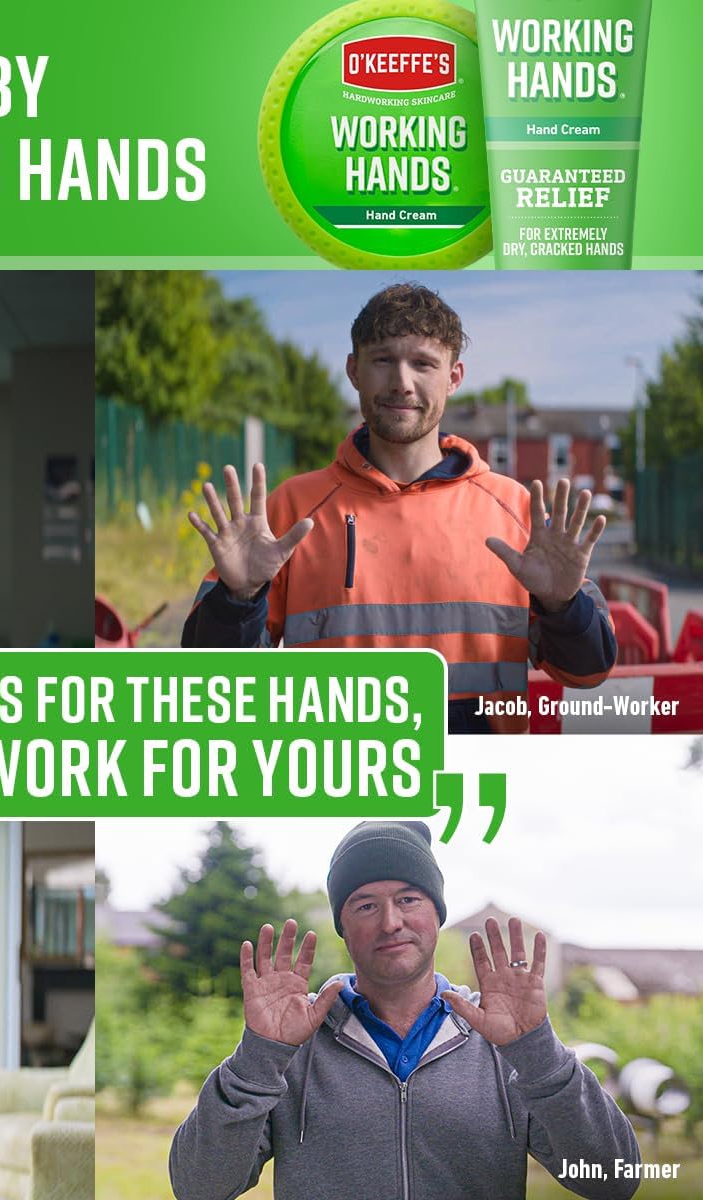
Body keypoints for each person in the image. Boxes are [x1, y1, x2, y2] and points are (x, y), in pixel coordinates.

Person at [182, 283, 616, 733]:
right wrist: (237, 602)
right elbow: (212, 686)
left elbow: (589, 672)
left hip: (474, 788)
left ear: (454, 377)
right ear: (354, 370)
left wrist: (562, 605)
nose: (401, 382)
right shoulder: (293, 510)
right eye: (383, 359)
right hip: (336, 787)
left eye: (423, 363)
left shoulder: (516, 510)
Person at [169, 820, 641, 1200]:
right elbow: (199, 1187)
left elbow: (613, 1180)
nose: (391, 922)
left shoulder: (503, 1045)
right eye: (366, 905)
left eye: (408, 899)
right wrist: (259, 1056)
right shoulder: (291, 1046)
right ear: (342, 927)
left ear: (437, 913)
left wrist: (537, 1050)